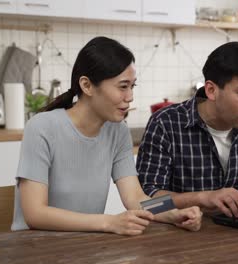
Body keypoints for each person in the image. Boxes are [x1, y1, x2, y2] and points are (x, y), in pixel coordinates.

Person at [11, 36, 202, 235]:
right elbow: (35, 214)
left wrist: (174, 213)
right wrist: (109, 222)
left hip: (83, 246)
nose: (130, 97)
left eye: (132, 86)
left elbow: (136, 197)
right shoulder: (42, 127)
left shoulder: (117, 131)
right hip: (34, 246)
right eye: (122, 86)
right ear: (87, 85)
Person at [137, 42, 238, 219]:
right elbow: (148, 203)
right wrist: (203, 198)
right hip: (179, 234)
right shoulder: (166, 123)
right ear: (211, 90)